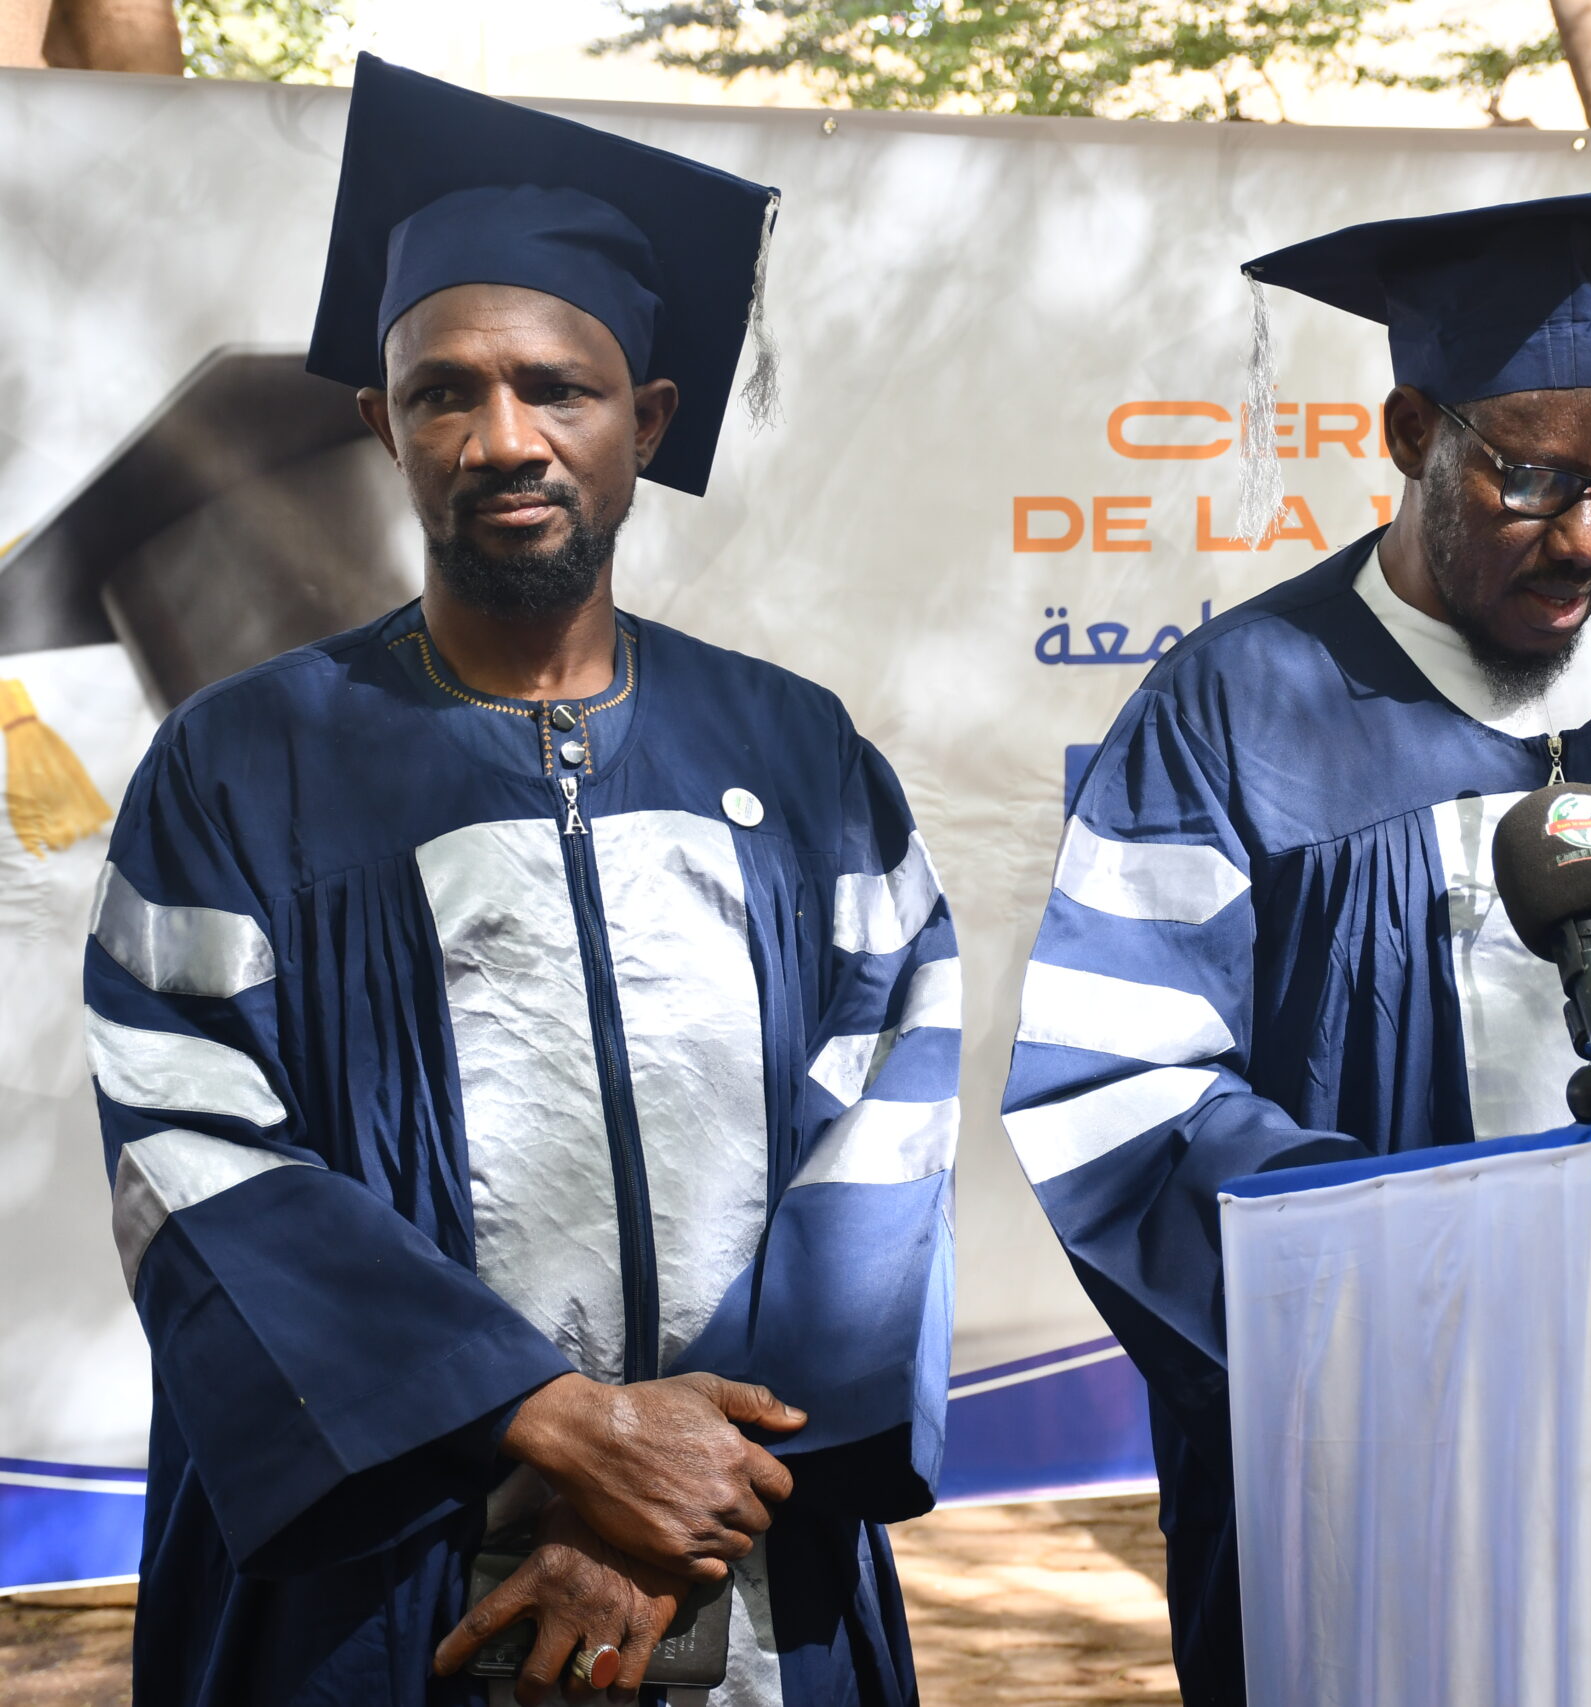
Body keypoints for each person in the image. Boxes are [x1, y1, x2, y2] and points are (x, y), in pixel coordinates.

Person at [88, 56, 957, 1706]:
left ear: (652, 420)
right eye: (443, 393)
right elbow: (187, 1142)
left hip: (738, 1549)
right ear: (380, 425)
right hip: (384, 1571)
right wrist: (554, 1425)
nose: (504, 438)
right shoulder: (241, 766)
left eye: (559, 387)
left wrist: (665, 1506)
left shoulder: (801, 754)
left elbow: (887, 1131)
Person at [999, 191, 1591, 1704]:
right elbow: (1117, 1100)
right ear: (1411, 431)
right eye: (1538, 483)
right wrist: (1440, 1287)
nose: (1589, 540)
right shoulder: (1233, 711)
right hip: (1413, 1474)